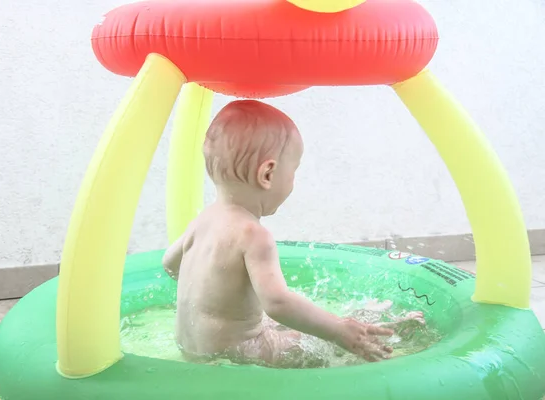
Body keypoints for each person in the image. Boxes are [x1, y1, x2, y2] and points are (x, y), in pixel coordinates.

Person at [162, 100, 423, 368]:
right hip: (241, 353)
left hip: (193, 349)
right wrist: (335, 329)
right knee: (320, 344)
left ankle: (359, 325)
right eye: (294, 170)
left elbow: (169, 265)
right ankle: (379, 334)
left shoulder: (202, 220)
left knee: (274, 321)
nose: (294, 180)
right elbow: (277, 302)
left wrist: (220, 302)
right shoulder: (253, 235)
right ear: (268, 173)